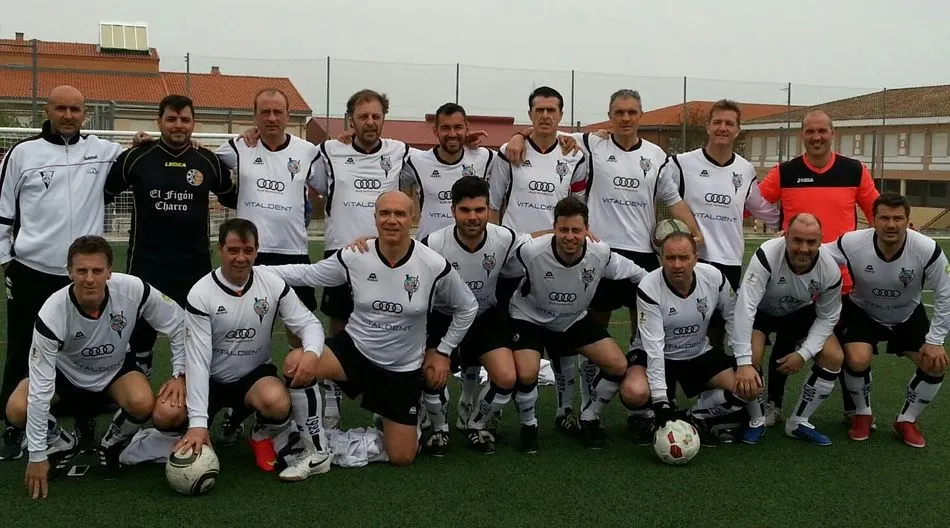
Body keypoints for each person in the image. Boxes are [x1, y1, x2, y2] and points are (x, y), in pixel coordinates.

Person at [505, 88, 702, 442]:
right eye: (619, 112)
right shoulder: (592, 145)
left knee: (645, 333)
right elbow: (547, 131)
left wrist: (695, 233)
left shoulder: (657, 156)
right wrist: (517, 135)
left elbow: (673, 201)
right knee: (589, 331)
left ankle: (645, 407)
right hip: (596, 252)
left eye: (632, 112)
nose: (626, 118)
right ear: (610, 115)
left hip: (640, 255)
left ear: (641, 115)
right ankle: (587, 409)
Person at [261, 192, 478, 466]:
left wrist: (444, 351)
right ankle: (312, 444)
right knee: (296, 363)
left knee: (402, 457)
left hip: (401, 368)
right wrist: (257, 271)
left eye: (400, 214)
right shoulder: (356, 255)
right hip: (355, 351)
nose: (392, 220)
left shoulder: (432, 264)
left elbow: (467, 306)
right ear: (375, 218)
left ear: (413, 219)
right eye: (385, 213)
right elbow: (309, 273)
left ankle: (405, 417)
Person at [0, 86, 130, 459]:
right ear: (48, 110)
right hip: (32, 270)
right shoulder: (22, 154)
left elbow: (139, 158)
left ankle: (82, 415)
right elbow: (4, 211)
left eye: (75, 109)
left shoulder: (103, 151)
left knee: (82, 350)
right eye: (61, 108)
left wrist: (140, 140)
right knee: (24, 348)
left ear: (84, 113)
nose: (68, 115)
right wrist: (7, 260)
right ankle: (15, 424)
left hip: (83, 275)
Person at [4, 236, 185, 498]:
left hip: (114, 372)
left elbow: (179, 323)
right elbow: (41, 386)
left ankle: (112, 442)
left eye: (97, 271)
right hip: (65, 376)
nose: (90, 278)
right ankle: (60, 442)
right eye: (82, 271)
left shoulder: (133, 289)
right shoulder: (52, 313)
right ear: (69, 272)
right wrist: (37, 454)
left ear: (109, 271)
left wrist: (179, 373)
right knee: (18, 407)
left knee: (143, 401)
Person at [165, 219, 330, 481]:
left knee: (276, 402)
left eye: (248, 250)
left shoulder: (272, 284)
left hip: (253, 378)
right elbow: (197, 359)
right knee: (167, 414)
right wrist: (198, 423)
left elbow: (309, 323)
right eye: (233, 250)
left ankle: (260, 431)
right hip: (211, 378)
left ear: (256, 250)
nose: (241, 258)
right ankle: (183, 432)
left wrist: (311, 352)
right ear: (220, 249)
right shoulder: (201, 293)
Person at [215, 88, 324, 448]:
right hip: (250, 256)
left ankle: (313, 408)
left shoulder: (309, 153)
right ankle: (239, 404)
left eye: (279, 112)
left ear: (288, 114)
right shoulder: (238, 148)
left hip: (293, 254)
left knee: (299, 335)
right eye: (265, 112)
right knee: (241, 332)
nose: (272, 118)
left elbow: (336, 181)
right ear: (255, 114)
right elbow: (198, 162)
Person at [757, 110, 879, 426]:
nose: (816, 137)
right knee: (785, 344)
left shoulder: (854, 171)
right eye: (810, 131)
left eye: (822, 131)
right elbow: (754, 202)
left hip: (845, 281)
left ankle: (854, 409)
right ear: (803, 135)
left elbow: (877, 211)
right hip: (794, 277)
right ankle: (773, 404)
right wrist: (777, 224)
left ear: (832, 133)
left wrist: (907, 228)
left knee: (846, 349)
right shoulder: (785, 172)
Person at [105, 94, 236, 380]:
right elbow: (101, 193)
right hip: (146, 266)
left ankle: (196, 400)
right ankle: (137, 406)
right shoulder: (136, 157)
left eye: (185, 119)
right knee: (140, 338)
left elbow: (234, 197)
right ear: (159, 122)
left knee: (196, 335)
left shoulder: (207, 161)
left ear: (193, 123)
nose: (179, 125)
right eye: (172, 119)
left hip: (194, 267)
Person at [506, 196, 648, 451]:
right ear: (554, 228)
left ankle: (589, 417)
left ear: (587, 230)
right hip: (530, 318)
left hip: (572, 319)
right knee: (527, 373)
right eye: (563, 230)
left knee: (618, 365)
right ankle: (529, 426)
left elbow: (636, 273)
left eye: (576, 230)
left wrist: (659, 286)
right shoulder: (530, 251)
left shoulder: (600, 252)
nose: (569, 236)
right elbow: (502, 268)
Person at [488, 86, 591, 437]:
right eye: (539, 110)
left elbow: (578, 204)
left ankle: (566, 410)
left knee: (563, 338)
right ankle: (506, 411)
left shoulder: (575, 154)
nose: (545, 115)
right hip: (515, 259)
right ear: (529, 114)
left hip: (560, 257)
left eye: (552, 110)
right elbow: (493, 204)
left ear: (561, 116)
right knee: (516, 342)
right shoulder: (509, 151)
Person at [310, 89, 411, 429]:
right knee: (338, 326)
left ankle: (382, 399)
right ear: (350, 119)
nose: (370, 122)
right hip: (343, 255)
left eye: (376, 116)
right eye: (363, 116)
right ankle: (333, 400)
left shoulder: (400, 152)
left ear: (384, 118)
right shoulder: (328, 151)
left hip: (387, 258)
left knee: (386, 327)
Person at [823, 192, 950, 448]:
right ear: (873, 220)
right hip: (863, 310)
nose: (891, 224)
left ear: (908, 221)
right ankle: (862, 414)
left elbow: (946, 294)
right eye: (884, 218)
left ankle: (906, 420)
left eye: (897, 218)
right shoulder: (852, 242)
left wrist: (935, 340)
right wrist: (786, 242)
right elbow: (818, 252)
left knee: (935, 364)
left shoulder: (927, 249)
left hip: (906, 313)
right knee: (857, 358)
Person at [418, 176, 527, 454]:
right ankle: (440, 430)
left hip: (484, 317)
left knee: (506, 378)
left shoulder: (505, 238)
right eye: (465, 210)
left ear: (489, 209)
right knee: (432, 375)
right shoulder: (432, 243)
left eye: (480, 210)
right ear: (453, 210)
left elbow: (538, 244)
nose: (473, 217)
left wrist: (574, 233)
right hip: (445, 318)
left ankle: (477, 425)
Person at [732, 213, 843, 445]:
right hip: (763, 311)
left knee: (833, 356)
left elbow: (827, 317)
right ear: (786, 238)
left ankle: (798, 422)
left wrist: (804, 354)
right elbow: (746, 307)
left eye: (811, 242)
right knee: (751, 356)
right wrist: (742, 363)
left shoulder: (830, 270)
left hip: (799, 312)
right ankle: (757, 420)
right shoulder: (767, 255)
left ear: (821, 241)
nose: (804, 248)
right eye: (797, 240)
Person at [629, 231, 747, 446]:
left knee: (747, 389)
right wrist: (660, 401)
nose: (677, 265)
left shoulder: (714, 277)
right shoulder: (649, 286)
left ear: (696, 258)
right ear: (661, 259)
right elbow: (654, 347)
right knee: (634, 392)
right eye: (670, 258)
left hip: (697, 352)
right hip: (659, 356)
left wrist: (744, 363)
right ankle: (647, 417)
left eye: (683, 257)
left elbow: (735, 318)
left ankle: (694, 415)